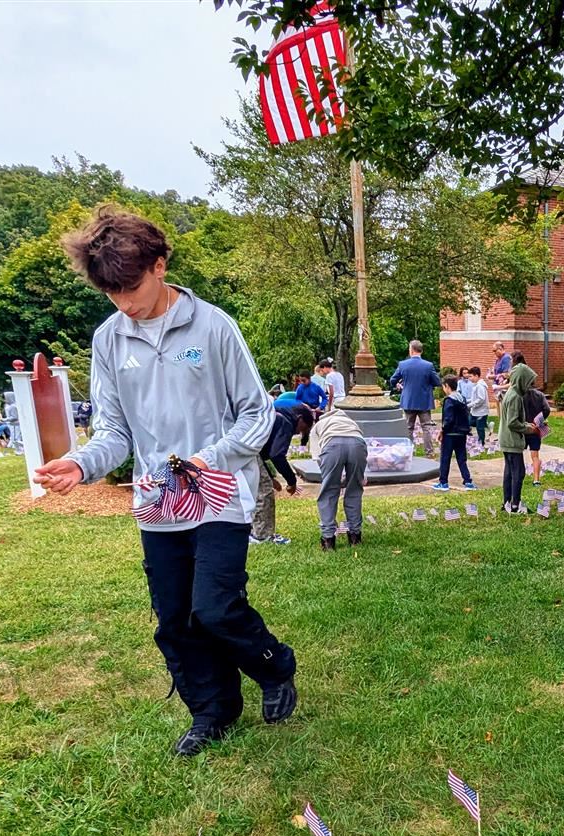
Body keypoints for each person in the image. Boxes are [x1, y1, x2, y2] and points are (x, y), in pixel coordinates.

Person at [32, 204, 297, 758]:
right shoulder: (109, 340)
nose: (125, 303)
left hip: (219, 492)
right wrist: (82, 464)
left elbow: (257, 413)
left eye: (130, 287)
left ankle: (275, 666)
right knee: (175, 619)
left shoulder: (213, 326)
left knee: (216, 609)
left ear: (159, 263)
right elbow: (115, 430)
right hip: (158, 500)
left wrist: (213, 457)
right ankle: (213, 710)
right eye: (111, 293)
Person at [305, 403, 367, 550]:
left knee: (328, 492)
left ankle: (328, 540)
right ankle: (355, 536)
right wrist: (354, 478)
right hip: (358, 445)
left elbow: (317, 456)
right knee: (354, 491)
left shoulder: (319, 425)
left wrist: (331, 478)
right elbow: (360, 443)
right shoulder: (351, 422)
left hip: (331, 444)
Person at [497, 355, 547, 513]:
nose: (529, 384)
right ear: (521, 380)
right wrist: (528, 428)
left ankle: (507, 502)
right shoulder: (515, 397)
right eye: (527, 380)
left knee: (510, 471)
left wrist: (526, 424)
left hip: (506, 439)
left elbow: (513, 420)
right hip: (512, 440)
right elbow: (513, 422)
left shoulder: (511, 393)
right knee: (518, 472)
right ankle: (515, 505)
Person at [250, 404, 300, 547]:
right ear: (300, 419)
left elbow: (261, 452)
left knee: (254, 489)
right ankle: (262, 535)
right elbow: (277, 455)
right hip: (249, 451)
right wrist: (292, 481)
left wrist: (271, 477)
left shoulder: (273, 416)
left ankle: (253, 530)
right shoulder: (284, 422)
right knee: (264, 493)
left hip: (247, 450)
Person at [394, 339, 441, 457]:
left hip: (408, 401)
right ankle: (429, 453)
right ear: (421, 350)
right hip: (424, 401)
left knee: (409, 427)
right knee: (426, 427)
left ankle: (408, 452)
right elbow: (437, 381)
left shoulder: (403, 365)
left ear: (411, 350)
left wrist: (400, 385)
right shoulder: (428, 365)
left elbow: (393, 379)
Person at [434, 375, 476, 492]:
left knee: (445, 458)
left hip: (450, 434)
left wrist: (442, 430)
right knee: (461, 458)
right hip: (461, 434)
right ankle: (468, 481)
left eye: (443, 386)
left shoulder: (449, 400)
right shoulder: (461, 398)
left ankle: (443, 482)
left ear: (447, 386)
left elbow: (448, 418)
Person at [457, 365, 490, 446]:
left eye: (471, 376)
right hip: (475, 411)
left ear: (476, 376)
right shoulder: (475, 385)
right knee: (468, 423)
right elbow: (473, 398)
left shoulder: (480, 386)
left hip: (481, 411)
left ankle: (481, 443)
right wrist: (466, 402)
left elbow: (480, 399)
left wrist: (469, 405)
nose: (469, 378)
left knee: (480, 428)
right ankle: (486, 424)